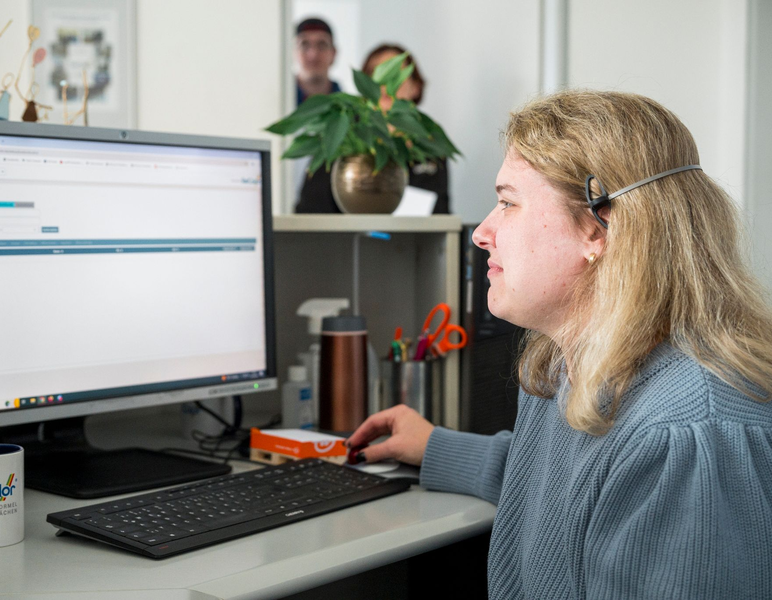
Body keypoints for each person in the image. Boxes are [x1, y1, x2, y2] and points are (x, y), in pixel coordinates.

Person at [346, 90, 772, 598]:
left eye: (508, 202)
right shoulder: (566, 367)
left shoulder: (688, 438)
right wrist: (437, 447)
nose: (482, 232)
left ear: (598, 227)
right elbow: (572, 495)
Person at [295, 44, 450, 214]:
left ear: (415, 87)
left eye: (395, 73)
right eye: (375, 73)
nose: (383, 82)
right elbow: (311, 212)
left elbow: (439, 215)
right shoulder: (342, 136)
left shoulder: (430, 141)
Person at [294, 18, 341, 106]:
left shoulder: (349, 108)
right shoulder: (279, 102)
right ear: (293, 52)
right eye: (304, 45)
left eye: (322, 45)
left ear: (334, 53)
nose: (313, 55)